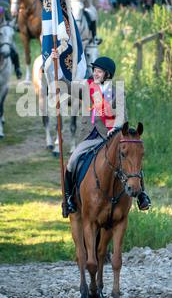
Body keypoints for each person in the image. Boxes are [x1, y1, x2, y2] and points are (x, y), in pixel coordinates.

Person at [50, 53, 151, 216]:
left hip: (108, 139)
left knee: (133, 159)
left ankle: (142, 196)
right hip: (88, 137)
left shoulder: (117, 92)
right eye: (94, 70)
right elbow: (66, 86)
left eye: (99, 71)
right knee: (71, 162)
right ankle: (69, 199)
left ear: (108, 75)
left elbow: (121, 115)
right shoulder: (85, 86)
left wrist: (116, 127)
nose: (95, 73)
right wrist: (57, 64)